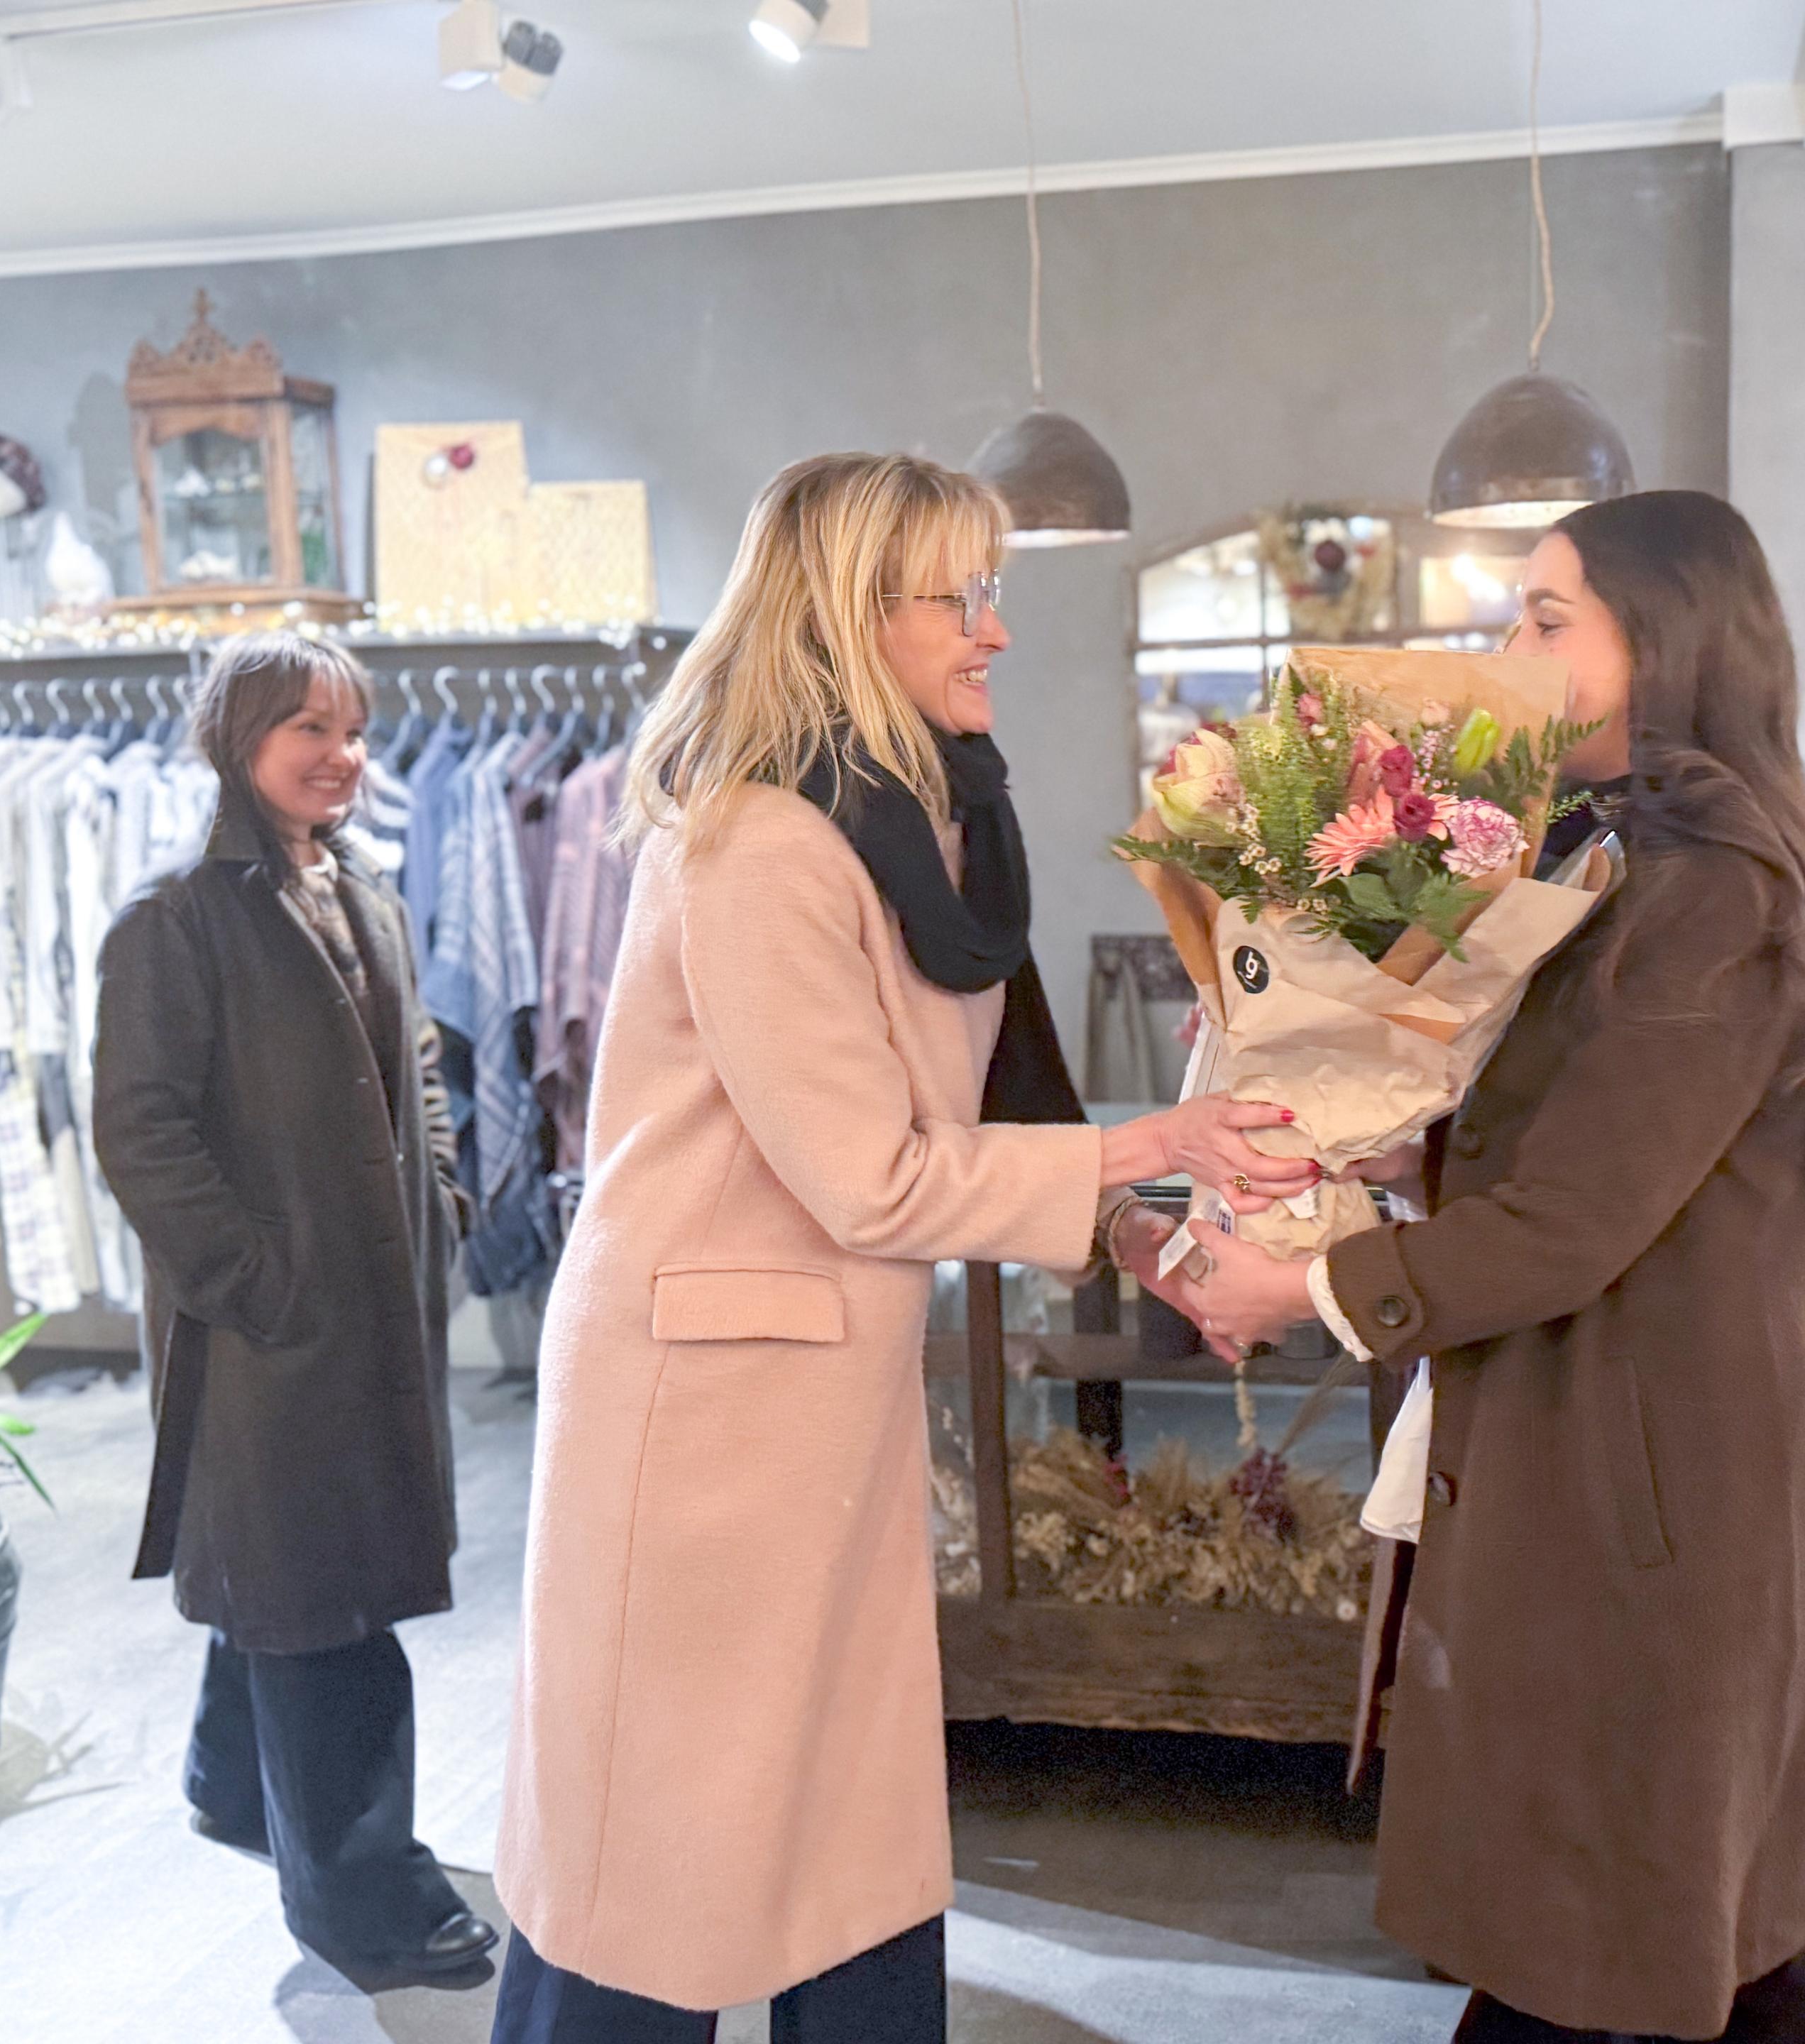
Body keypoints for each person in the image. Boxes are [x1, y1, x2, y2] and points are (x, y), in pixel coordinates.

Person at [489, 451, 1310, 2042]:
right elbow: (869, 1175)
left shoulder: (938, 821)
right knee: (655, 1850)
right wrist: (1157, 1144)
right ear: (852, 612)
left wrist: (1148, 1238)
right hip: (698, 1404)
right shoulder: (755, 844)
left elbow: (1004, 1083)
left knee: (831, 1824)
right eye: (965, 595)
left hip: (810, 1384)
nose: (996, 632)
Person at [1170, 490, 1805, 2044]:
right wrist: (1395, 1152)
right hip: (1623, 1468)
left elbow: (1577, 1222)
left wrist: (1305, 1290)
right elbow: (1597, 1157)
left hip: (1644, 1503)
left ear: (1673, 642)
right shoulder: (1631, 856)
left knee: (1606, 1935)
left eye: (1547, 619)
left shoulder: (1716, 891)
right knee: (1691, 1939)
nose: (1510, 654)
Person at [94, 632, 493, 1979]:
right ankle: (364, 1898)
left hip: (374, 1305)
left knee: (288, 1570)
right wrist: (258, 1278)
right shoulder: (173, 920)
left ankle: (233, 1785)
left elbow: (419, 1066)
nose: (341, 756)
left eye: (355, 731)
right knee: (324, 1599)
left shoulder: (362, 889)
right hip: (267, 1332)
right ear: (235, 741)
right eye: (305, 730)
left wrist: (436, 1197)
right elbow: (140, 1134)